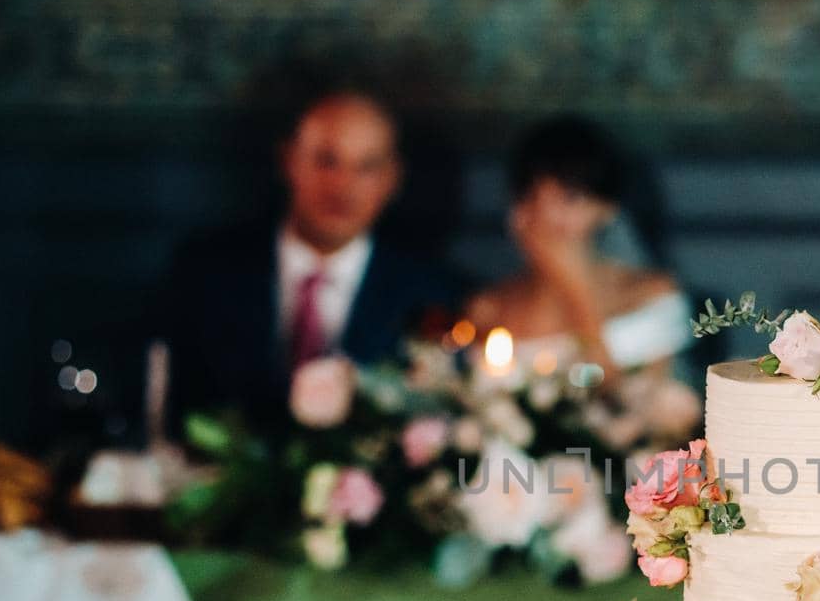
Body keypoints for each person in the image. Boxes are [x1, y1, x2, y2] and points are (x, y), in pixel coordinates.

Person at [163, 87, 458, 420]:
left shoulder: (432, 292)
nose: (342, 185)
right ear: (289, 161)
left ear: (392, 179)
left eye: (367, 166)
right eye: (325, 160)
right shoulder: (207, 271)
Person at [465, 116, 691, 382]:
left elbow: (617, 394)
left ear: (607, 210)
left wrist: (572, 285)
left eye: (571, 199)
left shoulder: (651, 295)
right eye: (533, 196)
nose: (548, 215)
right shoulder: (489, 309)